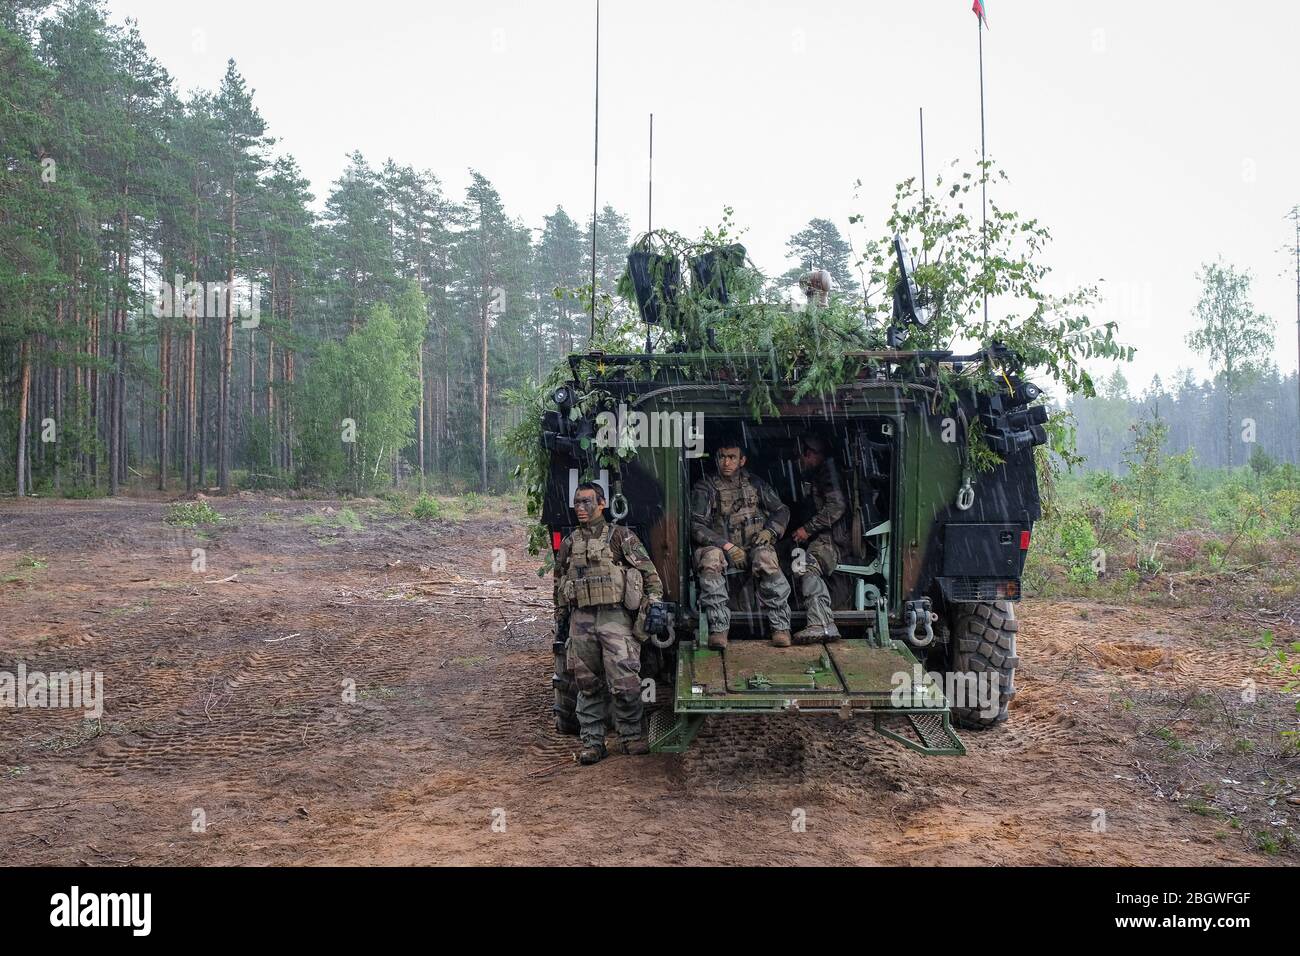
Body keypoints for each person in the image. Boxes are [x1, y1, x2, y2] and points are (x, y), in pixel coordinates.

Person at [553, 481, 664, 765]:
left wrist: (653, 607)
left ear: (602, 504)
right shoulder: (569, 543)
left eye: (587, 502)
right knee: (586, 684)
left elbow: (649, 574)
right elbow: (559, 584)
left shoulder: (620, 537)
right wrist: (561, 621)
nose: (580, 507)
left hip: (615, 617)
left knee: (625, 682)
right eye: (577, 502)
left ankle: (631, 737)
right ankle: (593, 742)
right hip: (582, 619)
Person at [690, 442, 793, 649]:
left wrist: (770, 530)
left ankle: (781, 627)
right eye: (721, 457)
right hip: (721, 548)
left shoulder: (755, 483)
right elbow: (695, 525)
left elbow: (782, 510)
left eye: (732, 457)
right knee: (710, 560)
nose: (726, 462)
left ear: (742, 460)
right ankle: (719, 629)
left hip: (753, 546)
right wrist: (727, 546)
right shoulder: (705, 486)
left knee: (766, 557)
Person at [789, 435, 846, 643]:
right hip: (823, 537)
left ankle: (822, 624)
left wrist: (808, 528)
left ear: (810, 454)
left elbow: (836, 507)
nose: (801, 462)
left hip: (832, 540)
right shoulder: (820, 473)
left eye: (802, 457)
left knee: (808, 566)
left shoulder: (828, 473)